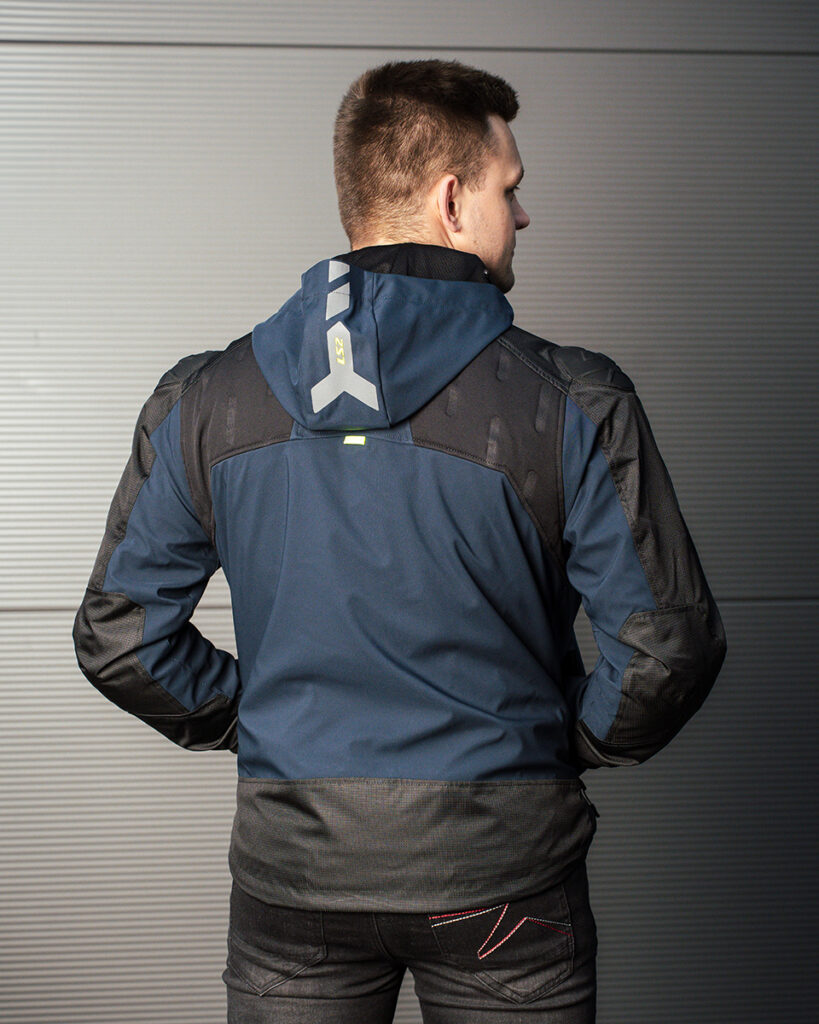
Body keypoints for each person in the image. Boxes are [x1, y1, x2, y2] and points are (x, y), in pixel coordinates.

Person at [73, 59, 726, 1023]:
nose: (524, 215)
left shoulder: (204, 400)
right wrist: (561, 739)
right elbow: (666, 649)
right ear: (452, 202)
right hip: (502, 877)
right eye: (510, 189)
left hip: (295, 875)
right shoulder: (572, 401)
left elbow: (119, 635)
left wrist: (262, 724)